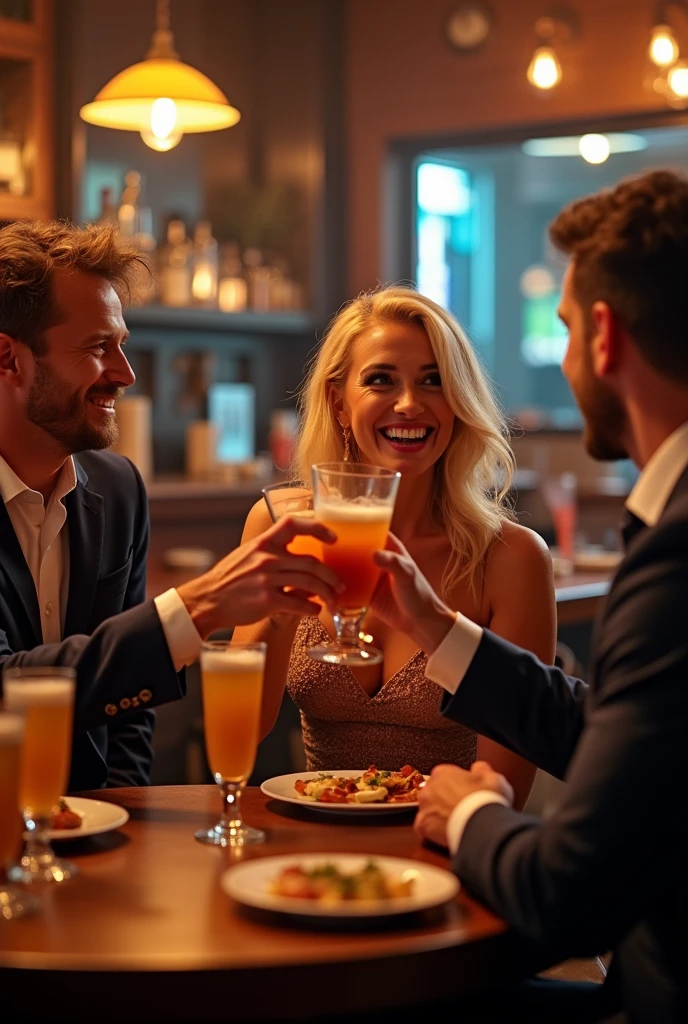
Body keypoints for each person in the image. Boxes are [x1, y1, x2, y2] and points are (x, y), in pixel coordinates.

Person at [368, 170, 688, 1023]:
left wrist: (470, 812)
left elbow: (570, 895)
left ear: (607, 336)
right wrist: (437, 627)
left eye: (566, 330)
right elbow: (611, 732)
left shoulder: (676, 555)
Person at [0, 220, 341, 791]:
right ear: (9, 360)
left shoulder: (118, 489)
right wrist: (197, 605)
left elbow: (126, 719)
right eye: (96, 348)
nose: (126, 374)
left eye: (122, 346)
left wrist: (124, 831)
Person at [235, 286, 556, 805]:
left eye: (434, 381)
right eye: (381, 380)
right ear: (339, 402)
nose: (409, 404)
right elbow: (239, 736)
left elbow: (503, 792)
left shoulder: (510, 558)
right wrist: (278, 607)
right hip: (318, 850)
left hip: (446, 849)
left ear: (457, 403)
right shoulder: (278, 523)